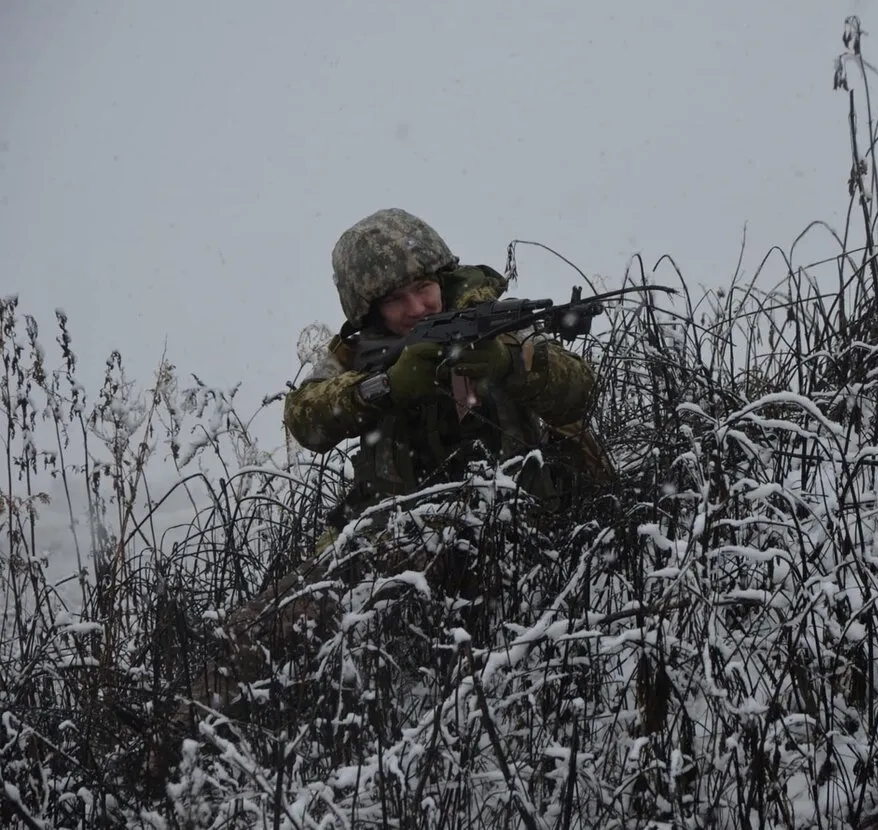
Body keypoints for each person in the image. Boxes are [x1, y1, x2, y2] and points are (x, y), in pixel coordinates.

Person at [164, 209, 611, 750]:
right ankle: (187, 732)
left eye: (424, 288)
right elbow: (305, 416)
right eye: (395, 300)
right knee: (265, 625)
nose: (417, 307)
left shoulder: (493, 320)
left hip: (507, 522)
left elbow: (578, 388)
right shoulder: (357, 352)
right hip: (393, 530)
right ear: (369, 309)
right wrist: (386, 385)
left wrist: (509, 366)